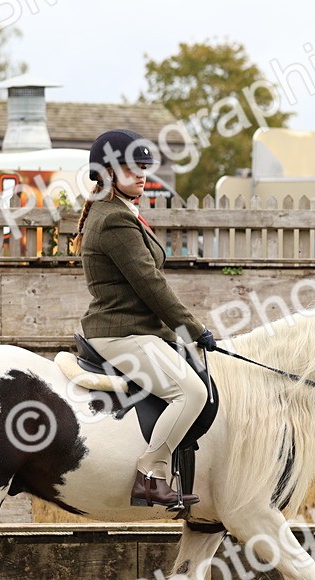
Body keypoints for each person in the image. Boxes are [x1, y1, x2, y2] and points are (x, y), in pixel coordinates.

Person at [74, 129, 218, 510]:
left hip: (135, 329)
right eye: (131, 167)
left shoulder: (119, 212)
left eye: (143, 166)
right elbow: (151, 286)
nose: (142, 174)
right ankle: (151, 474)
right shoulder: (113, 221)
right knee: (192, 392)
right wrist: (193, 329)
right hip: (123, 331)